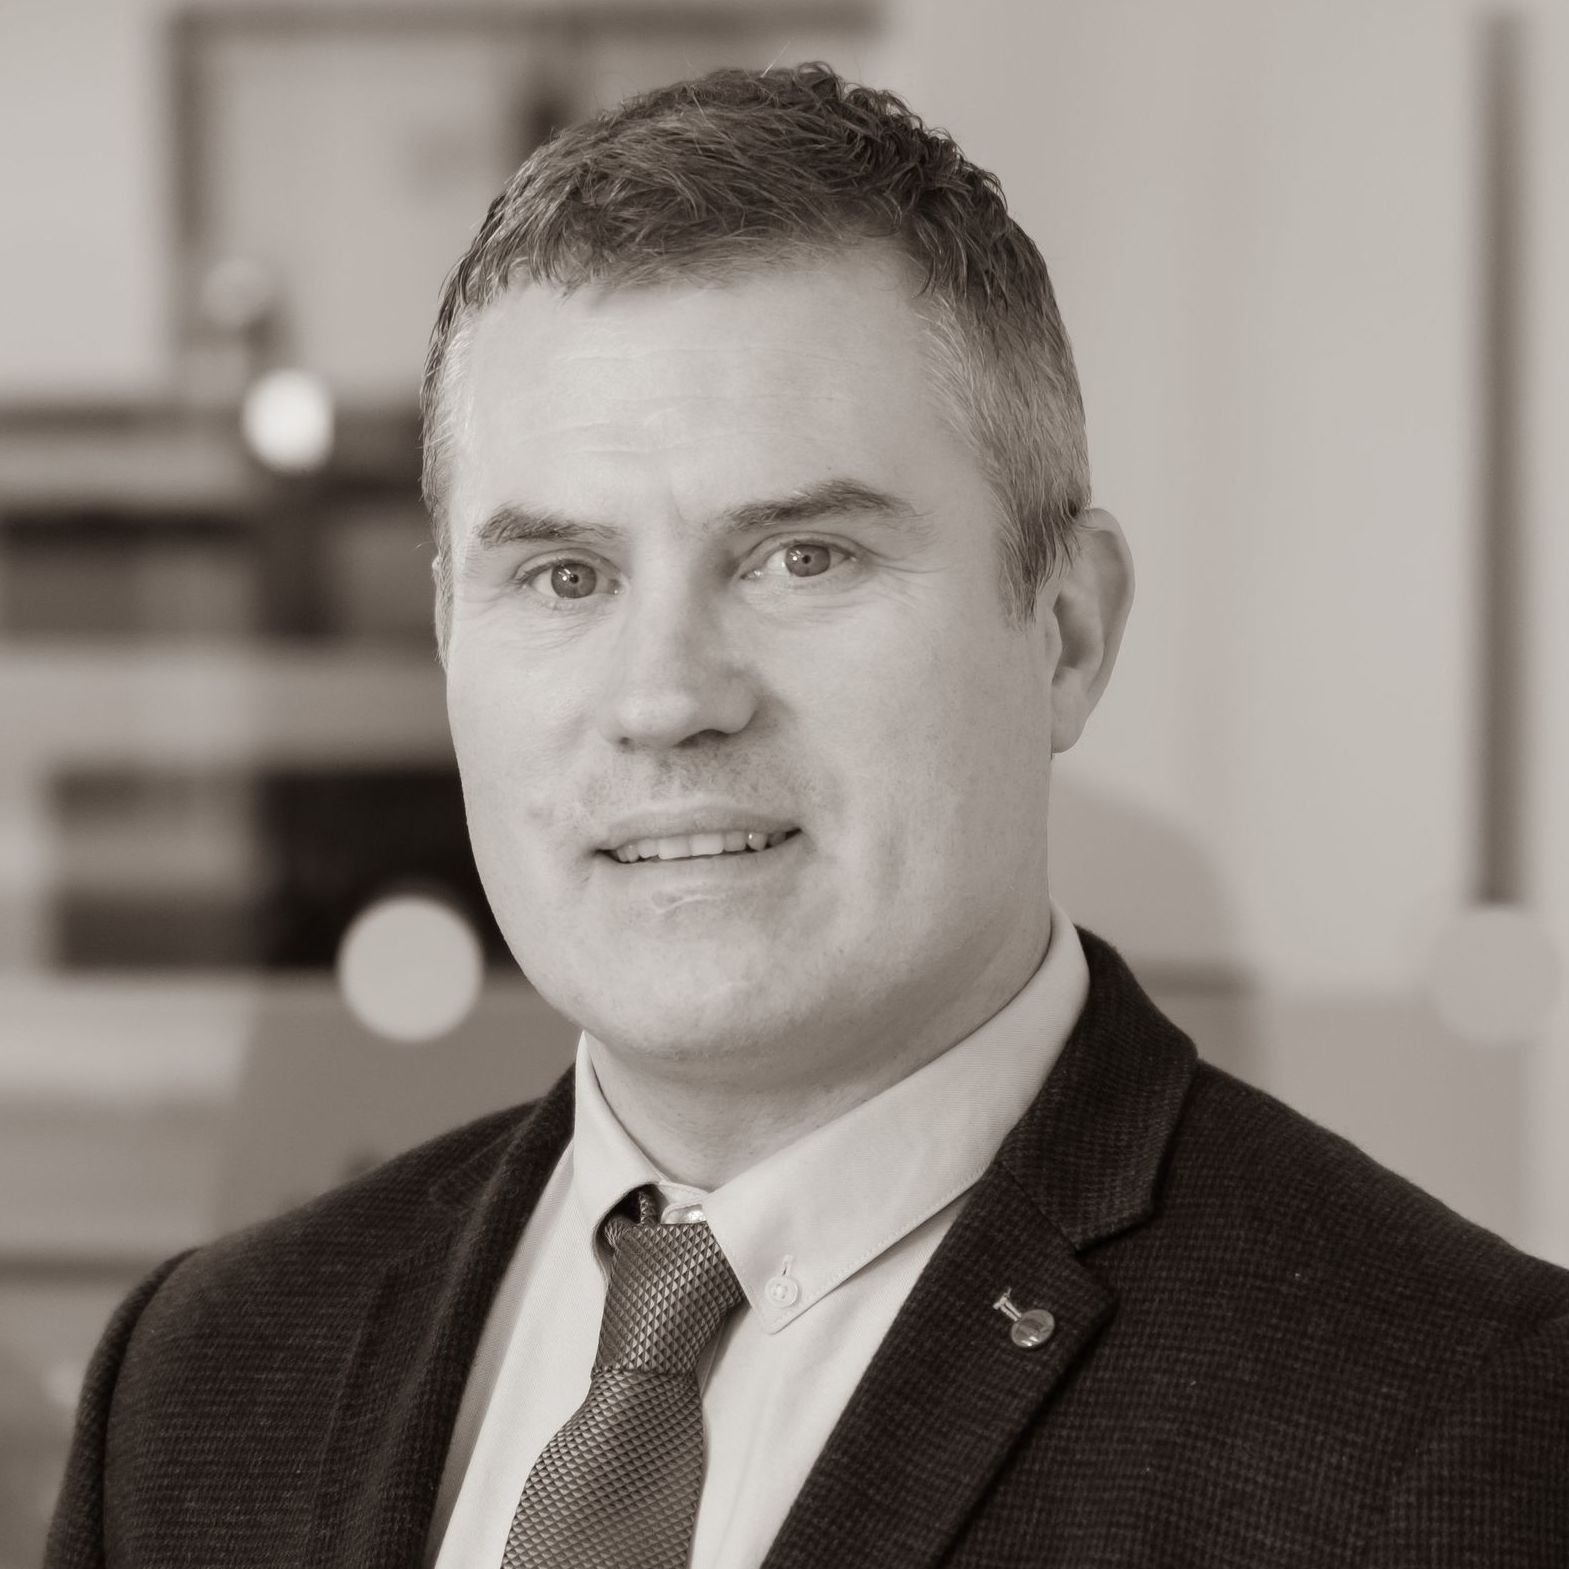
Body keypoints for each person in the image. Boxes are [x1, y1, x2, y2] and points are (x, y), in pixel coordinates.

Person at [48, 63, 1569, 1569]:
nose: (668, 696)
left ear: (1068, 630)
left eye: (801, 558)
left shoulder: (1459, 1432)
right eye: (565, 576)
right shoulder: (197, 1384)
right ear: (449, 636)